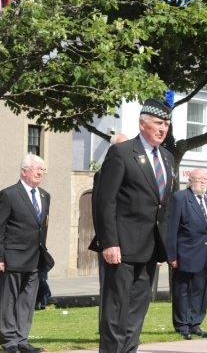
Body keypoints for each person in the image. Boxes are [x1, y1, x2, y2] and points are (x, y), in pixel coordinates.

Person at [94, 99, 175, 352]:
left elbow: (166, 205)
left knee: (138, 309)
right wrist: (109, 242)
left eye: (167, 125)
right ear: (143, 124)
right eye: (158, 124)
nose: (163, 129)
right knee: (116, 310)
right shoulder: (122, 152)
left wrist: (164, 247)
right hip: (122, 247)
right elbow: (104, 201)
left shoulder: (167, 158)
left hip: (150, 249)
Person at [0, 154, 53, 353]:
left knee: (27, 302)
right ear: (24, 171)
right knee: (8, 302)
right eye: (36, 168)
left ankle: (22, 340)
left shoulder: (44, 195)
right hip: (12, 258)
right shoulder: (9, 194)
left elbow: (41, 227)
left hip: (35, 259)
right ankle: (9, 342)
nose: (40, 172)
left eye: (43, 169)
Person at [166, 169, 207, 340]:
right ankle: (182, 324)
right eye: (199, 179)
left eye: (205, 179)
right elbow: (172, 228)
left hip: (206, 253)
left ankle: (195, 323)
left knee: (201, 290)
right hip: (185, 252)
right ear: (190, 181)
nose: (203, 182)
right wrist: (172, 255)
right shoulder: (180, 198)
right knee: (182, 290)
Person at [88, 133, 128, 320]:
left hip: (128, 240)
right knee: (109, 287)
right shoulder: (103, 173)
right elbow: (100, 207)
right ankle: (106, 325)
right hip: (111, 240)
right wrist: (106, 240)